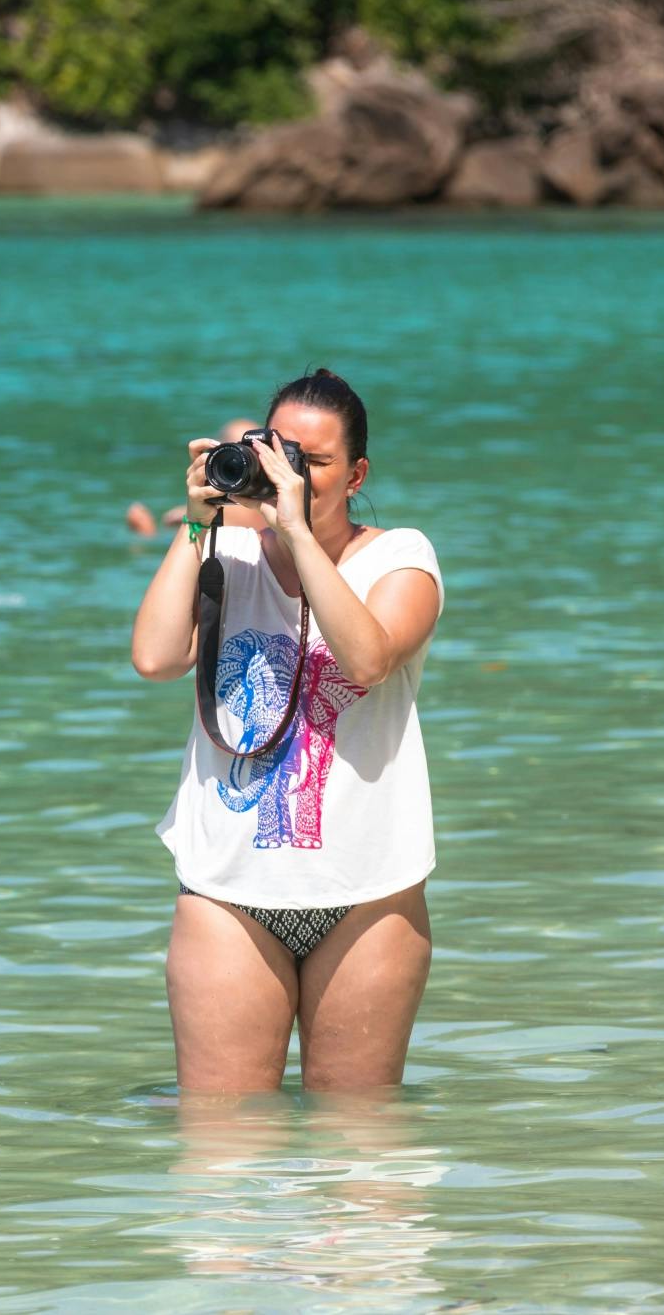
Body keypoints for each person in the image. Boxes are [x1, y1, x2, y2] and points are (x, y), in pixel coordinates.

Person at [130, 369, 443, 1094]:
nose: (291, 472)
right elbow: (154, 658)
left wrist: (297, 530)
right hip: (227, 894)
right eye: (279, 451)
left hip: (367, 895)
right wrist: (195, 525)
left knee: (362, 1159)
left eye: (315, 461)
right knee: (222, 1160)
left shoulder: (401, 558)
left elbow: (366, 657)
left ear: (358, 473)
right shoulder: (227, 556)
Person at [126, 420, 266, 536]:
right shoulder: (272, 504)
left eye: (250, 450)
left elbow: (172, 519)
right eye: (237, 449)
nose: (244, 460)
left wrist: (148, 533)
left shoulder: (206, 511)